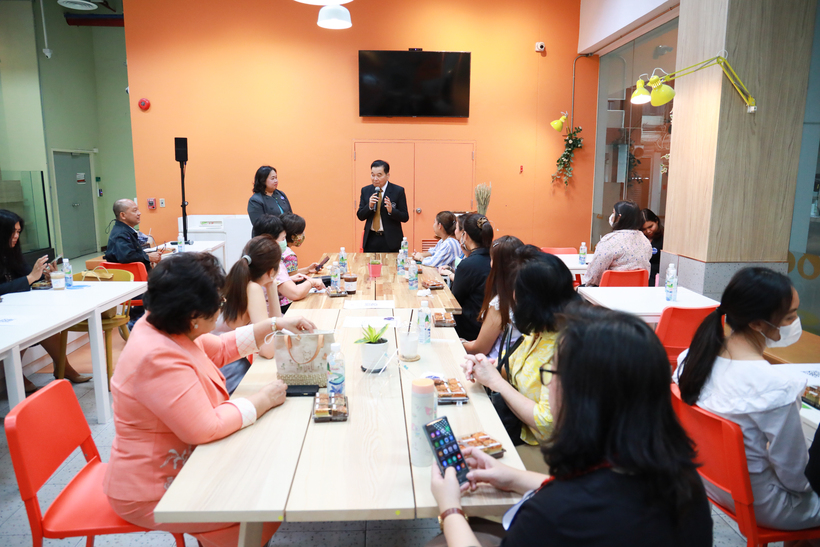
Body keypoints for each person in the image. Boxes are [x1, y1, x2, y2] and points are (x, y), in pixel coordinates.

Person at [432, 305, 713, 547]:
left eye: (552, 371)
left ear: (582, 398)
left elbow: (575, 502)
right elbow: (601, 493)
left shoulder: (552, 515)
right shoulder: (685, 483)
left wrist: (450, 508)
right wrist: (513, 478)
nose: (549, 384)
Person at [103, 252, 316, 547]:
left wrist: (276, 324)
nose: (221, 309)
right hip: (153, 489)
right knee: (260, 498)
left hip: (190, 463)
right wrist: (262, 400)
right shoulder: (155, 356)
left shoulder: (166, 326)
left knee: (265, 475)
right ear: (193, 317)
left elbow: (222, 347)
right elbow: (205, 427)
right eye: (218, 304)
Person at [675, 267, 820, 531]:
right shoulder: (776, 386)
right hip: (764, 503)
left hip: (711, 483)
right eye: (790, 316)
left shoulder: (691, 359)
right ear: (757, 324)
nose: (796, 322)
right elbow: (797, 479)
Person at [462, 249, 579, 447]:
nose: (512, 297)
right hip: (518, 430)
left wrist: (496, 382)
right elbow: (509, 369)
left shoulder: (566, 346)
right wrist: (483, 366)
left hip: (545, 449)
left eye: (516, 291)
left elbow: (547, 424)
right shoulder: (537, 331)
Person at [0, 209, 91, 390]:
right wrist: (31, 278)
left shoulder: (11, 253)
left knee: (43, 319)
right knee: (26, 324)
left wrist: (45, 276)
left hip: (13, 308)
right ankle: (12, 375)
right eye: (12, 232)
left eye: (18, 232)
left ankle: (63, 367)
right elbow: (19, 282)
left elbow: (28, 275)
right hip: (7, 312)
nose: (16, 236)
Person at [216, 235, 283, 394]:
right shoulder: (252, 288)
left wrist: (271, 286)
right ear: (271, 270)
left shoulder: (237, 280)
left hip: (217, 358)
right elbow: (268, 350)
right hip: (221, 365)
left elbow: (275, 328)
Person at [462, 235, 524, 358]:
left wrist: (460, 342)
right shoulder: (529, 296)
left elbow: (479, 349)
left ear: (495, 264)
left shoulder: (501, 304)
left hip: (495, 364)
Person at [252, 214, 324, 313]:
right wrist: (312, 282)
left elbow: (275, 282)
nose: (285, 242)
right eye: (283, 238)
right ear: (270, 240)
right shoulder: (272, 263)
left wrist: (290, 278)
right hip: (270, 315)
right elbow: (295, 293)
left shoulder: (256, 256)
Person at [582, 200, 651, 286]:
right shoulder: (645, 241)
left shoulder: (609, 241)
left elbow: (594, 275)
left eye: (613, 213)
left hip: (608, 291)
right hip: (636, 291)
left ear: (618, 217)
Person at [450, 214, 493, 341]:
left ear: (465, 235)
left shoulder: (468, 265)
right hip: (491, 327)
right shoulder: (495, 258)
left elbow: (455, 300)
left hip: (470, 328)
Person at [356, 160, 409, 252]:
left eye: (379, 175)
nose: (375, 179)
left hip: (391, 240)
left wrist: (392, 211)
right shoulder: (366, 190)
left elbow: (405, 217)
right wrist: (369, 206)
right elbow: (360, 215)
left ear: (387, 175)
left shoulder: (398, 191)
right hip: (371, 239)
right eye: (373, 175)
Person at [104, 199, 160, 271]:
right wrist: (148, 257)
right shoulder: (121, 233)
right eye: (135, 210)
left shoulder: (126, 230)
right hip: (131, 275)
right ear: (123, 215)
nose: (139, 213)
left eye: (138, 210)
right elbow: (127, 256)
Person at [438, 214, 468, 284]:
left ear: (463, 233)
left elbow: (462, 281)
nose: (455, 231)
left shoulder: (450, 243)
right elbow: (462, 273)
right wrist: (450, 269)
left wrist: (449, 273)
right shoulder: (464, 248)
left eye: (456, 228)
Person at [642, 208, 664, 286]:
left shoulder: (664, 237)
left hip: (658, 277)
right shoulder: (639, 239)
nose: (648, 231)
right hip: (642, 277)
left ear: (656, 221)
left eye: (650, 226)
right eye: (644, 229)